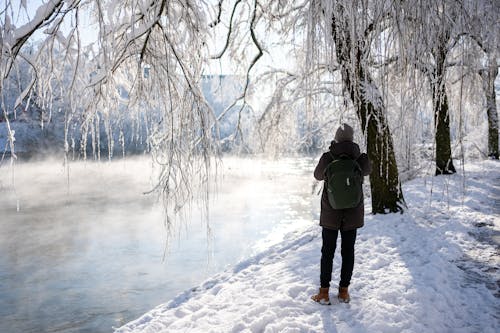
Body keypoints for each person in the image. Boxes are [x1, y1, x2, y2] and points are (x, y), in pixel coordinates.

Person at [311, 123, 371, 305]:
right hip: (352, 214)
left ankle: (323, 293)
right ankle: (344, 292)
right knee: (348, 252)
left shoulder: (328, 157)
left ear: (336, 138)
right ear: (352, 139)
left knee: (327, 252)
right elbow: (368, 171)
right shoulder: (361, 158)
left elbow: (317, 176)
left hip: (330, 213)